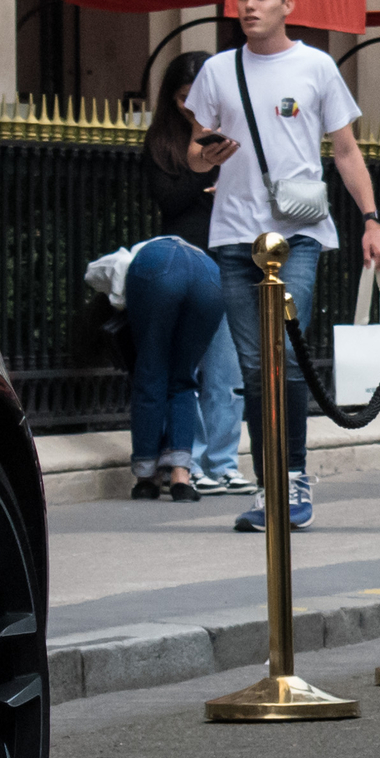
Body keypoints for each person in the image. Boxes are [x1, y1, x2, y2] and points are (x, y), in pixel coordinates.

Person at [185, 0, 380, 532]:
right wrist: (208, 155)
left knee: (283, 350)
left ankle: (295, 475)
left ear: (287, 5)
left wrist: (371, 220)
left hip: (298, 233)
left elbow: (346, 151)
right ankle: (270, 486)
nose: (249, 6)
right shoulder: (219, 72)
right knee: (255, 369)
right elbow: (193, 152)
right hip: (233, 235)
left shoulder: (316, 67)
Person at [127, 52, 237, 502]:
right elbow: (169, 203)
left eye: (200, 98)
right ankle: (170, 467)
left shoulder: (233, 137)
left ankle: (213, 466)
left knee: (220, 371)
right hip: (182, 258)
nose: (192, 108)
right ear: (172, 99)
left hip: (224, 258)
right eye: (182, 98)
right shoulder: (162, 142)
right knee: (172, 368)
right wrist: (204, 177)